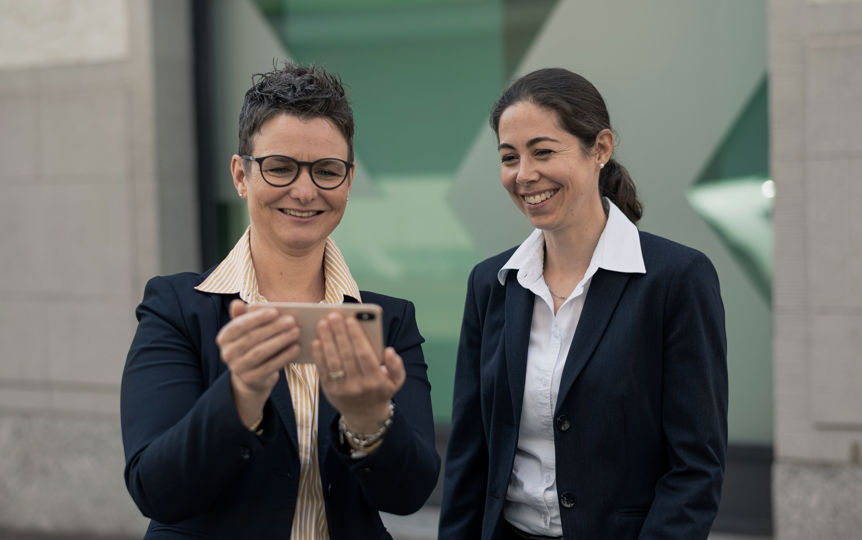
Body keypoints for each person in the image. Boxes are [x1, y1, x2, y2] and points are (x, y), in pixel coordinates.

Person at [121, 62, 440, 539]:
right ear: (241, 175)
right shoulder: (175, 309)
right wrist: (240, 397)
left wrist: (370, 421)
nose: (305, 190)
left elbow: (409, 494)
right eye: (280, 167)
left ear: (349, 181)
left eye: (327, 171)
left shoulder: (390, 322)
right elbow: (156, 489)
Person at [438, 68, 728, 540]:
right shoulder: (493, 283)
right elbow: (470, 454)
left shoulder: (676, 280)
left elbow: (696, 467)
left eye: (543, 151)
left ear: (600, 148)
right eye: (509, 157)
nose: (524, 175)